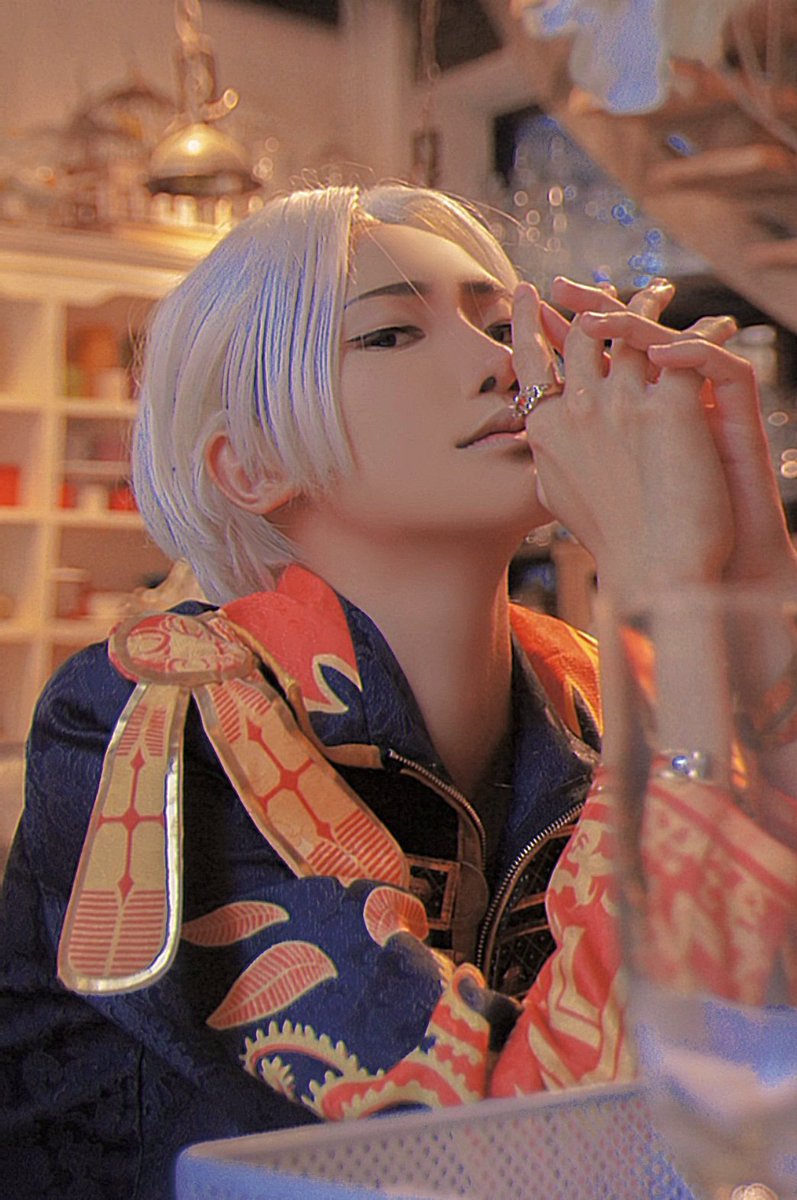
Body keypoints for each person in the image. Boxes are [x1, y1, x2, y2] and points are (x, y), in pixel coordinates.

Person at [2, 182, 796, 1199]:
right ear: (250, 465)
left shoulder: (588, 691)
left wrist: (750, 590)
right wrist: (659, 586)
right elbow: (508, 1162)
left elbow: (756, 1082)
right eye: (388, 335)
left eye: (497, 323)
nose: (503, 365)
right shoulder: (161, 707)